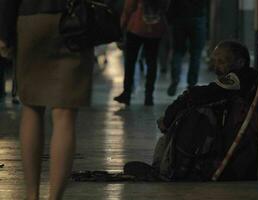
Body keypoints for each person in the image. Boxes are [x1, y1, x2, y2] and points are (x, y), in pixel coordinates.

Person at [0, 0, 94, 199]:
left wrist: (4, 31)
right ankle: (54, 197)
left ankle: (31, 195)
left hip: (31, 18)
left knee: (32, 107)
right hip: (75, 21)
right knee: (65, 116)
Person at [158, 40, 258, 131]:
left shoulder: (239, 78)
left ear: (240, 62)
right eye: (214, 61)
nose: (216, 67)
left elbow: (208, 92)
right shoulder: (246, 76)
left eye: (221, 62)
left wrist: (168, 118)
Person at [114, 0, 170, 106]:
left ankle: (127, 94)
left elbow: (129, 6)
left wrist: (123, 24)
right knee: (152, 61)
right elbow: (166, 6)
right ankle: (149, 96)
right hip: (156, 26)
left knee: (130, 61)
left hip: (136, 26)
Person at [166, 0, 209, 96]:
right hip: (198, 17)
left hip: (179, 19)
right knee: (196, 54)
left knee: (178, 52)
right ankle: (192, 84)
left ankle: (175, 79)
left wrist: (170, 19)